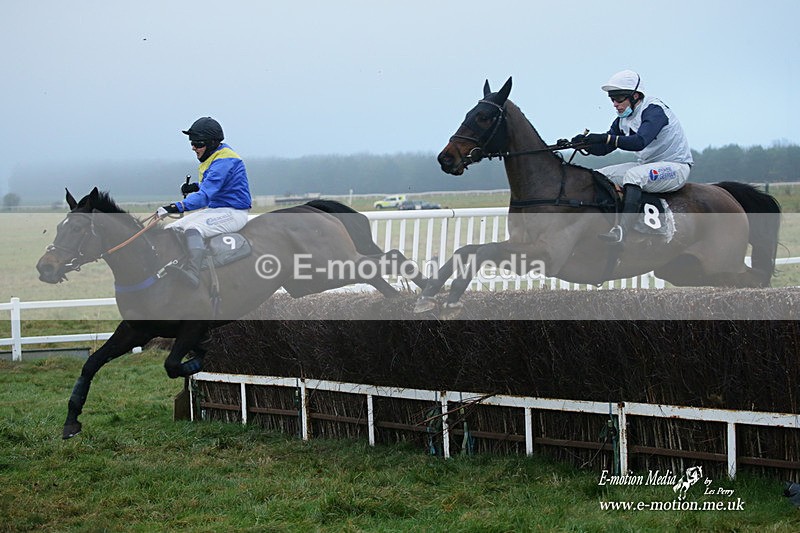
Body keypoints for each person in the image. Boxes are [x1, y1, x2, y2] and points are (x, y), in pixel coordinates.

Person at [571, 70, 693, 244]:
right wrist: (585, 144)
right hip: (649, 165)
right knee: (598, 176)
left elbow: (639, 142)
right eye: (612, 99)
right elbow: (606, 147)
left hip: (675, 167)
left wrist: (605, 138)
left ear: (635, 96)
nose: (615, 104)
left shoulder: (654, 110)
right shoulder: (623, 118)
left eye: (619, 98)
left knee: (634, 176)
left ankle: (622, 231)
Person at [157, 117, 252, 287]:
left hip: (233, 213)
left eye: (198, 143)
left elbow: (204, 197)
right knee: (171, 228)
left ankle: (193, 272)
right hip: (217, 210)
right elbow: (215, 184)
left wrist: (175, 207)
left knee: (193, 229)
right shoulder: (216, 156)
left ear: (212, 143)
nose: (194, 147)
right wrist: (195, 186)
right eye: (192, 143)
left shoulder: (224, 161)